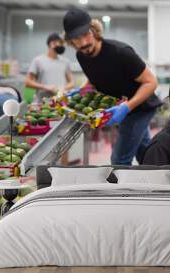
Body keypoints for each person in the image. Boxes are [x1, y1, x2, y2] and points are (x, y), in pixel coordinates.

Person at [63, 8, 162, 165]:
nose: (83, 43)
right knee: (143, 151)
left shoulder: (121, 53)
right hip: (121, 107)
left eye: (86, 34)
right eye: (76, 38)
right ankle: (156, 178)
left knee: (119, 159)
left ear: (94, 30)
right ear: (70, 41)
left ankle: (120, 189)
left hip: (140, 107)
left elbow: (151, 82)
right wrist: (81, 90)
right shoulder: (81, 55)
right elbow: (93, 78)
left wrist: (126, 108)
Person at [25, 32, 74, 104]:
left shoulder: (65, 62)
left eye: (62, 43)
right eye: (59, 43)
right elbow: (28, 82)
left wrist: (62, 88)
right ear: (51, 43)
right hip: (41, 104)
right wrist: (45, 87)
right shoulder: (38, 60)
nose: (61, 45)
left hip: (60, 103)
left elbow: (72, 83)